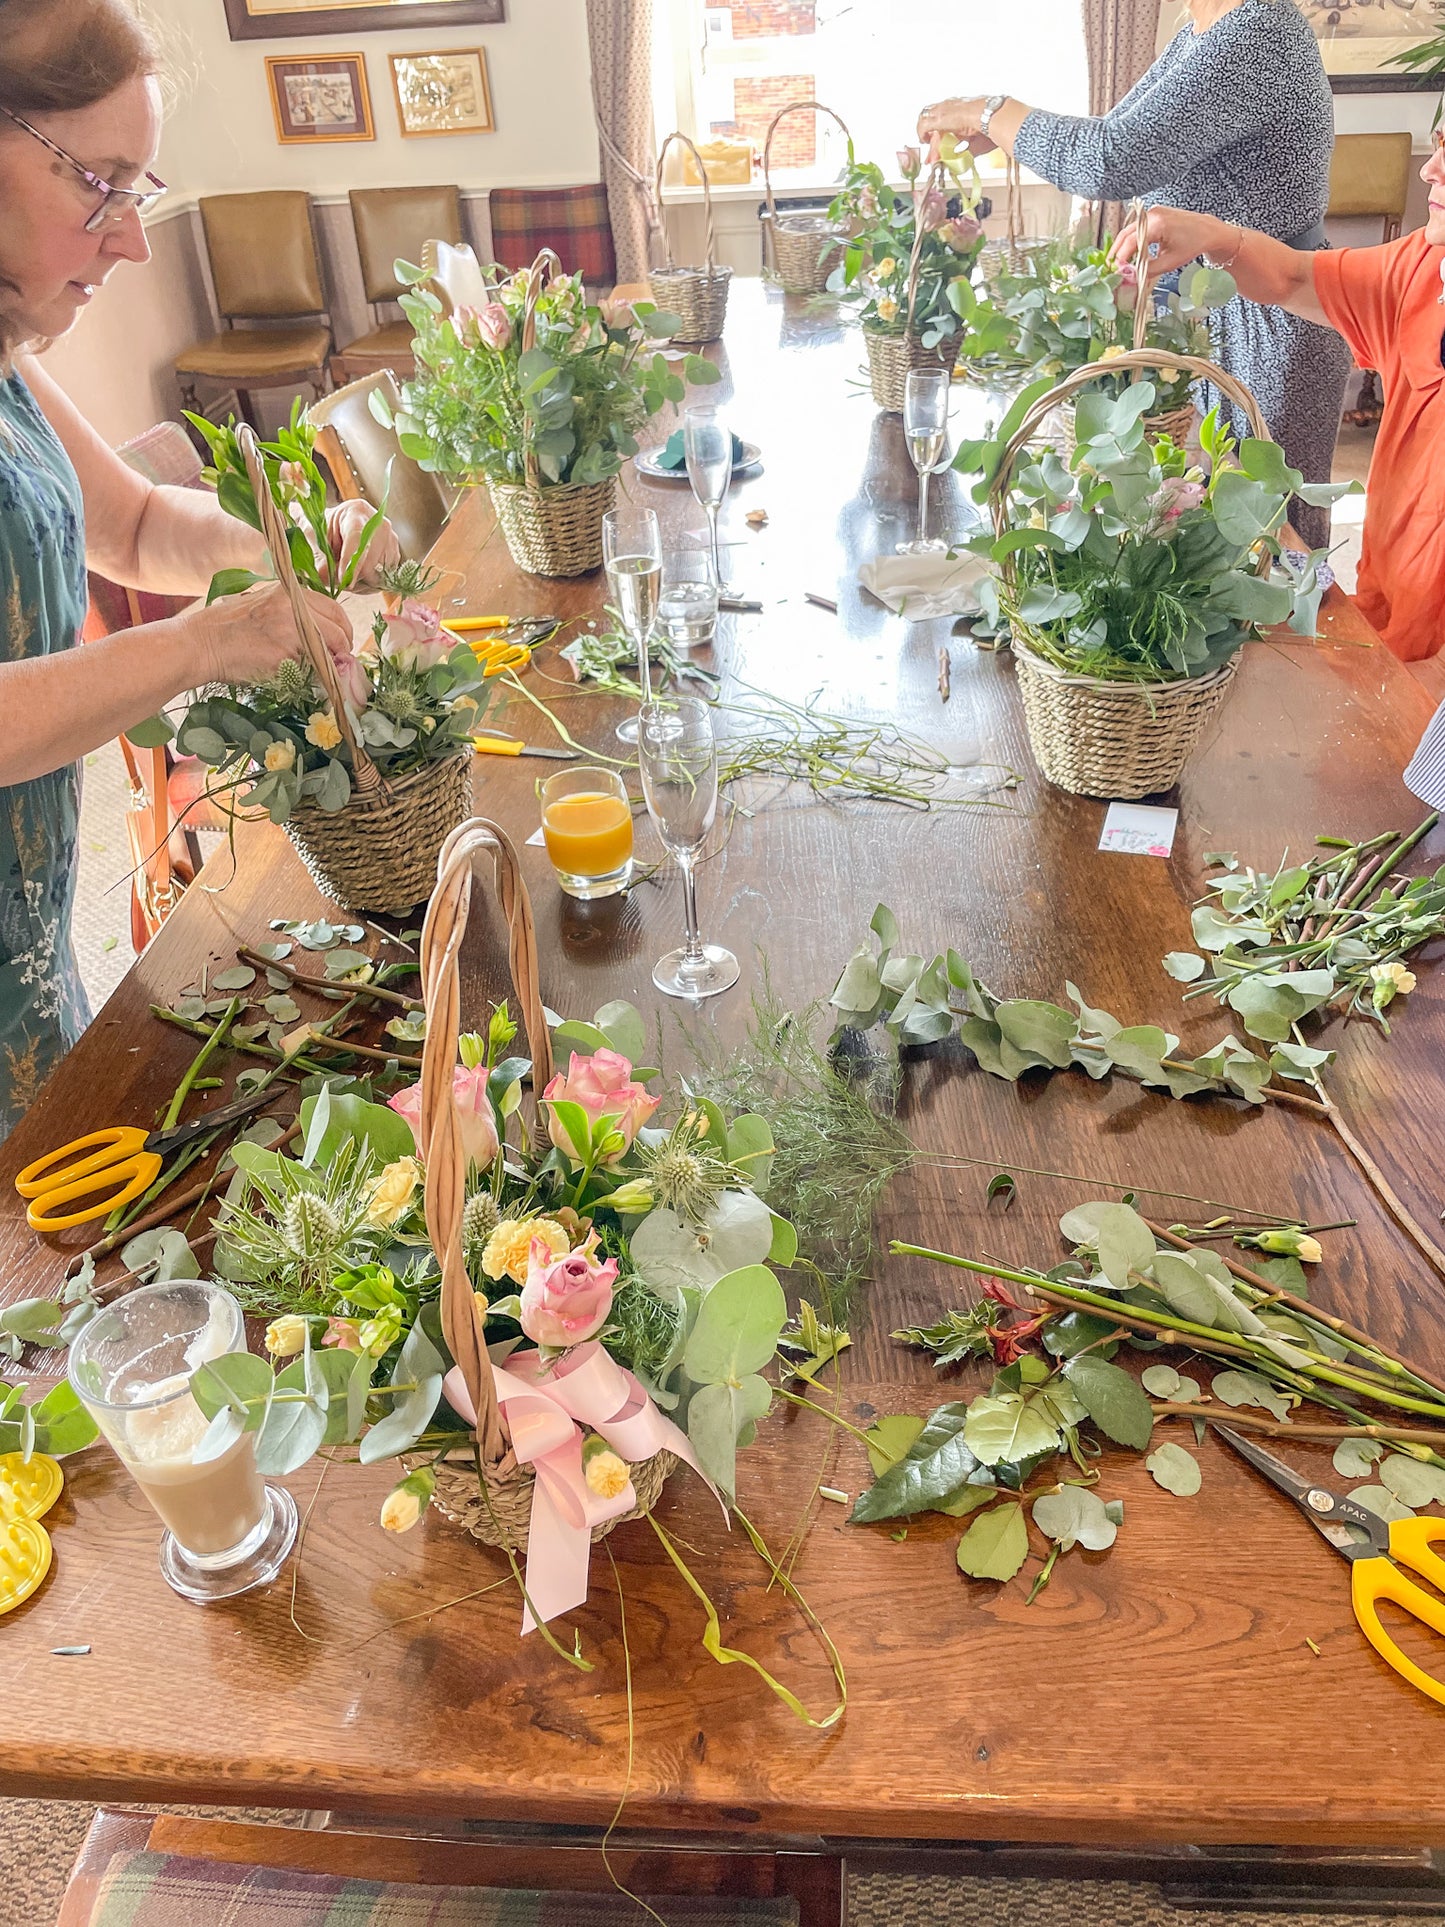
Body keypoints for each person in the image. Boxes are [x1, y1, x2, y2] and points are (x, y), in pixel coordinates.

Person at [0, 0, 397, 1135]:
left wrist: (275, 543)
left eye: (140, 190)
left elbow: (128, 526)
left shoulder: (9, 356)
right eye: (101, 186)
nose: (133, 241)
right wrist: (202, 642)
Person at [916, 0, 1352, 549]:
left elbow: (1112, 160)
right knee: (1219, 532)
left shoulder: (1261, 29)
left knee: (1281, 546)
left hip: (1276, 317)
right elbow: (1114, 133)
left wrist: (987, 112)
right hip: (1218, 310)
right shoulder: (1200, 32)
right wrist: (999, 132)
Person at [1113, 131, 1445, 665]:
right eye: (1440, 141)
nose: (1430, 169)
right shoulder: (1424, 268)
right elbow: (1292, 278)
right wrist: (1214, 236)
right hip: (1387, 627)